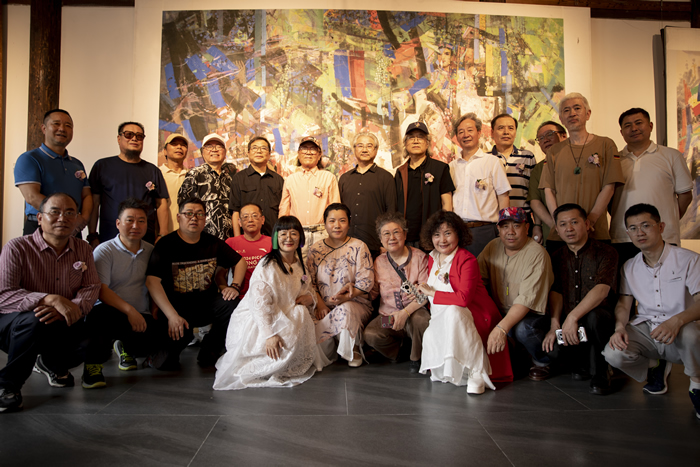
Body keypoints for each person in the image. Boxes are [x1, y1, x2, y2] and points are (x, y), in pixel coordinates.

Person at [0, 193, 100, 412]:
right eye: (55, 212)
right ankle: (7, 386)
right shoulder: (16, 247)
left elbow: (91, 287)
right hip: (17, 325)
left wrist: (71, 308)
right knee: (35, 320)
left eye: (70, 213)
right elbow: (4, 295)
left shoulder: (83, 249)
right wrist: (51, 299)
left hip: (60, 322)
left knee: (93, 338)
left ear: (76, 219)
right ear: (39, 218)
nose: (62, 218)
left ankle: (51, 364)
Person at [603, 204, 700, 418]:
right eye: (633, 228)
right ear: (628, 233)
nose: (640, 232)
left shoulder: (689, 260)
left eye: (646, 225)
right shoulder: (629, 266)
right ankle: (656, 364)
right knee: (613, 352)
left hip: (683, 329)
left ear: (661, 227)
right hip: (649, 329)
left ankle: (697, 384)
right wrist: (619, 328)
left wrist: (676, 321)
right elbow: (624, 304)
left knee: (691, 334)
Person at [213, 216, 330, 390]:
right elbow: (260, 304)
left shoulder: (299, 264)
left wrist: (311, 299)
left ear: (300, 238)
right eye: (283, 234)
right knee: (298, 318)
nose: (288, 238)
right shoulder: (268, 265)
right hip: (261, 320)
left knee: (304, 315)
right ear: (275, 237)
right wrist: (269, 335)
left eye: (293, 233)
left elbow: (307, 289)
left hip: (286, 314)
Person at [416, 210, 513, 394]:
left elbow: (463, 299)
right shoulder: (432, 258)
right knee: (437, 324)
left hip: (473, 314)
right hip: (442, 314)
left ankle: (477, 370)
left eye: (447, 233)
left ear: (458, 234)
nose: (442, 240)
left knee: (453, 312)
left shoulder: (467, 259)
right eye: (436, 235)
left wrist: (432, 293)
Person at [145, 198, 247, 370]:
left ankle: (210, 349)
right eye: (189, 214)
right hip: (176, 309)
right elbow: (152, 281)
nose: (194, 218)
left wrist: (234, 286)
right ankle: (158, 355)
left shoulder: (212, 242)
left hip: (205, 304)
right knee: (165, 364)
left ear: (205, 218)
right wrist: (171, 315)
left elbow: (240, 262)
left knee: (231, 304)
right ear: (178, 217)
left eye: (199, 214)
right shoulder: (166, 244)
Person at [82, 198, 159, 388]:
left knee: (159, 343)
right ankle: (92, 366)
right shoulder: (104, 251)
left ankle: (125, 347)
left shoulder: (151, 251)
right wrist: (129, 311)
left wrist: (154, 310)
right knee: (97, 316)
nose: (135, 226)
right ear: (118, 223)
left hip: (141, 314)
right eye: (129, 220)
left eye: (141, 221)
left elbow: (155, 284)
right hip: (111, 313)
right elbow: (101, 290)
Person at [543, 204, 617, 395]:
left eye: (574, 222)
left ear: (587, 224)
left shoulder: (606, 252)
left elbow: (602, 290)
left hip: (599, 322)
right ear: (557, 229)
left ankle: (602, 370)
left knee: (595, 317)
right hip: (572, 325)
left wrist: (572, 317)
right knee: (552, 350)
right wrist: (554, 325)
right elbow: (557, 291)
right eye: (563, 224)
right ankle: (582, 361)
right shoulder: (556, 256)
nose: (569, 228)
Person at [539, 93, 624, 253]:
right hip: (561, 236)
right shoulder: (554, 151)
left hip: (595, 231)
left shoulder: (606, 144)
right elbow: (549, 189)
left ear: (588, 114)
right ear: (561, 119)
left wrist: (591, 219)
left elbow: (609, 186)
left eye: (577, 108)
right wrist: (559, 222)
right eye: (566, 110)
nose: (572, 113)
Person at [478, 207, 554, 381]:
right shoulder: (493, 246)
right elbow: (477, 279)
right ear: (498, 229)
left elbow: (526, 301)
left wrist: (501, 328)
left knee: (523, 330)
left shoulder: (537, 254)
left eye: (516, 226)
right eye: (505, 226)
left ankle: (542, 360)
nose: (510, 232)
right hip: (502, 311)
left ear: (527, 227)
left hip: (531, 315)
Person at [610, 108, 693, 267]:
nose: (634, 128)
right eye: (628, 125)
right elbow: (610, 201)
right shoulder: (614, 160)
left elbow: (685, 196)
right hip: (623, 237)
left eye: (638, 123)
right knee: (627, 281)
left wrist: (668, 219)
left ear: (650, 126)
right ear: (621, 132)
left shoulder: (671, 156)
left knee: (667, 280)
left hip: (664, 237)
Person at [307, 203, 374, 367]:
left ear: (349, 223)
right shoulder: (315, 249)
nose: (337, 225)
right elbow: (310, 283)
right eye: (332, 221)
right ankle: (333, 346)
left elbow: (366, 281)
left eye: (342, 221)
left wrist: (346, 297)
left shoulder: (359, 246)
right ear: (325, 224)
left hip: (355, 303)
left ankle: (353, 349)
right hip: (323, 305)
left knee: (345, 309)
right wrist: (321, 305)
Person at [365, 211, 430, 373]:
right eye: (386, 234)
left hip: (413, 312)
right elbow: (373, 293)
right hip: (390, 316)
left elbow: (425, 294)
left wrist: (405, 313)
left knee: (421, 321)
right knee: (371, 334)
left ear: (405, 234)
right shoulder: (379, 262)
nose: (392, 237)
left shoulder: (420, 258)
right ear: (381, 239)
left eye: (396, 232)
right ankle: (399, 353)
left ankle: (417, 357)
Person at [88, 122, 169, 246]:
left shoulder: (153, 170)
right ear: (119, 138)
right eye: (128, 134)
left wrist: (162, 234)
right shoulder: (102, 166)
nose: (134, 138)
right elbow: (94, 203)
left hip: (145, 240)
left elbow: (161, 203)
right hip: (110, 237)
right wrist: (92, 235)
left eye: (139, 136)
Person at [14, 109, 92, 236]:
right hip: (41, 227)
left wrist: (82, 219)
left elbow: (87, 195)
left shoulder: (77, 164)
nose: (62, 129)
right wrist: (66, 217)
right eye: (56, 124)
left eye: (68, 126)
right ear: (44, 128)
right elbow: (32, 196)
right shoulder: (29, 159)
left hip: (73, 228)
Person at [450, 113, 511, 257]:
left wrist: (503, 227)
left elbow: (503, 197)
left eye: (470, 130)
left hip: (485, 230)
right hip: (457, 231)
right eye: (461, 132)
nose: (466, 135)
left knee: (487, 270)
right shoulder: (451, 167)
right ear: (457, 137)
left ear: (478, 133)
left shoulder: (492, 162)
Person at [395, 122, 454, 250]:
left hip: (433, 236)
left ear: (427, 143)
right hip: (405, 237)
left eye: (420, 137)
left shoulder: (440, 168)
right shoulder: (400, 172)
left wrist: (444, 232)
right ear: (405, 143)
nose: (416, 140)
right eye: (411, 137)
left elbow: (447, 204)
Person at [338, 131, 397, 259]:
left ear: (376, 150)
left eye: (369, 146)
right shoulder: (344, 179)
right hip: (346, 242)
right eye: (360, 145)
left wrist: (385, 241)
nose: (364, 150)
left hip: (374, 244)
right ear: (354, 149)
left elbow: (391, 211)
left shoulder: (386, 178)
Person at [279, 136, 340, 256]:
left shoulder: (329, 178)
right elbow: (283, 211)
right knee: (297, 266)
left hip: (322, 234)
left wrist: (334, 236)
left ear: (319, 154)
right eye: (304, 149)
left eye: (313, 149)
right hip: (296, 234)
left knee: (324, 267)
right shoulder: (290, 179)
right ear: (298, 154)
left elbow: (335, 210)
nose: (308, 152)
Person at [178, 133, 236, 240]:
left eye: (219, 146)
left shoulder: (230, 179)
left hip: (228, 239)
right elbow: (184, 209)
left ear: (225, 152)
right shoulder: (194, 175)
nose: (214, 150)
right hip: (201, 239)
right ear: (202, 152)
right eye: (209, 146)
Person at [229, 136, 284, 237]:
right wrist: (237, 239)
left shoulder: (278, 180)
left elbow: (283, 210)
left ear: (269, 154)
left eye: (263, 148)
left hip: (273, 236)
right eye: (254, 148)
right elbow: (235, 211)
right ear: (248, 153)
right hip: (247, 238)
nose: (259, 151)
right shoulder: (239, 178)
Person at [528, 121, 567, 246]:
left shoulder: (577, 162)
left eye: (550, 134)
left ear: (564, 136)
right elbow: (535, 200)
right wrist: (555, 226)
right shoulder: (538, 169)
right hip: (551, 232)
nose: (545, 140)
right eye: (540, 138)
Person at [488, 114, 536, 214]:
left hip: (522, 217)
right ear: (492, 132)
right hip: (494, 218)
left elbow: (534, 192)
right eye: (501, 128)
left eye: (511, 128)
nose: (506, 132)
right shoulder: (484, 159)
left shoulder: (527, 157)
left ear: (515, 132)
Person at [225, 203, 272, 298]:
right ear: (239, 222)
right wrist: (225, 290)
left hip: (267, 296)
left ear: (262, 220)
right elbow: (220, 273)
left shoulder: (272, 242)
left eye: (254, 216)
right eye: (245, 217)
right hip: (239, 297)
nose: (250, 220)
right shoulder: (231, 243)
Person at [159, 133, 189, 232]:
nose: (179, 147)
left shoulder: (191, 176)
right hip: (164, 234)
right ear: (165, 151)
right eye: (174, 144)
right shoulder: (158, 174)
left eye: (183, 145)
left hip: (188, 234)